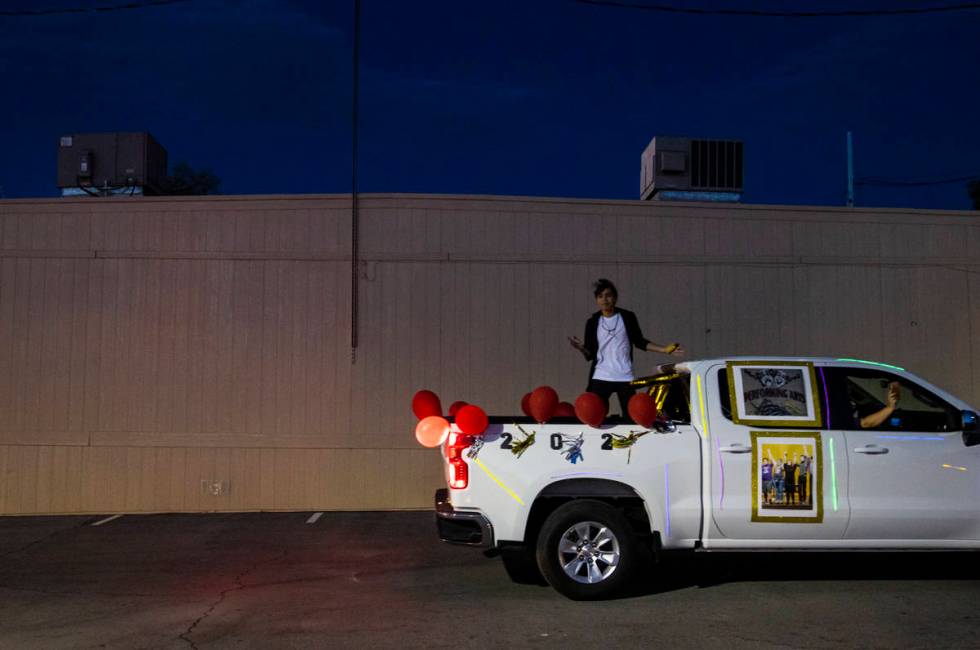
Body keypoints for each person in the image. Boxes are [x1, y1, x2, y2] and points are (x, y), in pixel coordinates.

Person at [568, 279, 684, 417]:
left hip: (624, 375)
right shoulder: (592, 322)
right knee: (594, 414)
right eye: (600, 296)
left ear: (615, 298)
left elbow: (640, 342)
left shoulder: (627, 317)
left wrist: (665, 349)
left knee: (631, 417)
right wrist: (581, 347)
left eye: (608, 295)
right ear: (596, 300)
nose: (604, 299)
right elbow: (590, 354)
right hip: (601, 375)